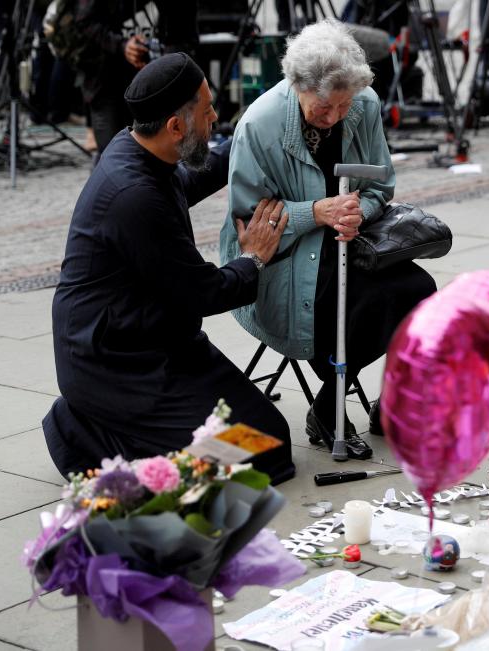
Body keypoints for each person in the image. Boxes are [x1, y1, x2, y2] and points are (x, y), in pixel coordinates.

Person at [43, 53, 295, 484]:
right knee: (261, 449)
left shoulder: (136, 146)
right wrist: (253, 257)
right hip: (113, 362)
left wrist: (249, 141)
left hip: (155, 337)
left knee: (267, 438)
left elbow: (187, 180)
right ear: (175, 127)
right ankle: (79, 428)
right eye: (207, 111)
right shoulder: (132, 196)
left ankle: (111, 420)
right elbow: (205, 291)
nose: (216, 117)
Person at [221, 20, 436, 460]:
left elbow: (380, 185)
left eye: (344, 104)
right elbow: (251, 226)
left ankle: (365, 402)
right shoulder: (259, 125)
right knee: (345, 305)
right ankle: (333, 405)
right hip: (280, 257)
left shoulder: (365, 104)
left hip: (346, 241)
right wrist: (315, 211)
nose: (335, 116)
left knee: (418, 291)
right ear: (297, 85)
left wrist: (361, 211)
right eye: (324, 107)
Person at [71, 0, 198, 155]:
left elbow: (185, 33)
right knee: (113, 153)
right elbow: (84, 21)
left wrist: (164, 62)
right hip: (107, 81)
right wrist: (122, 46)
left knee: (160, 154)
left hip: (159, 86)